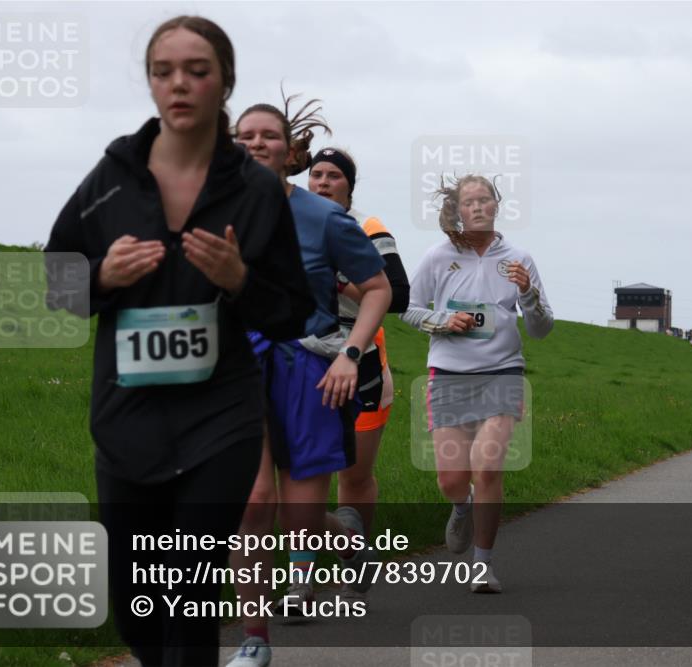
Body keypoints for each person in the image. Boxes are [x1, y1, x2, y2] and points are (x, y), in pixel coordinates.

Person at [43, 16, 315, 666]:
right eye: (164, 71)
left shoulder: (253, 190)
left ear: (224, 81)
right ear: (149, 82)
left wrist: (239, 279)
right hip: (126, 416)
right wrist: (102, 279)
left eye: (197, 70)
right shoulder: (111, 176)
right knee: (138, 604)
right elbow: (57, 283)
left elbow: (293, 313)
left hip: (219, 413)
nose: (180, 84)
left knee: (189, 588)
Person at [226, 96, 391, 667]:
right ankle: (254, 639)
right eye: (243, 135)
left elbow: (378, 289)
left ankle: (346, 543)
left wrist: (350, 355)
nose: (254, 144)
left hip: (309, 371)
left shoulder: (327, 218)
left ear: (290, 150)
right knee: (253, 506)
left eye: (267, 135)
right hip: (236, 368)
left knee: (298, 522)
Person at [401, 175, 554, 593]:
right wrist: (443, 321)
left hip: (502, 372)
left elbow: (541, 329)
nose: (479, 206)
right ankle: (461, 505)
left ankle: (482, 565)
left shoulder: (518, 258)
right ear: (458, 210)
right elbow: (407, 309)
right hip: (448, 374)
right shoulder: (438, 256)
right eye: (470, 201)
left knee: (488, 467)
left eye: (486, 199)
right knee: (452, 479)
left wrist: (529, 295)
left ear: (497, 205)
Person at [308, 147, 410, 602]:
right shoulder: (294, 222)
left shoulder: (368, 228)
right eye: (316, 174)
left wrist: (338, 282)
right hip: (305, 356)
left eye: (333, 176)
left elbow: (399, 295)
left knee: (352, 474)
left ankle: (355, 566)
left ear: (349, 185)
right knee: (303, 476)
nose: (323, 182)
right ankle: (305, 575)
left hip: (363, 360)